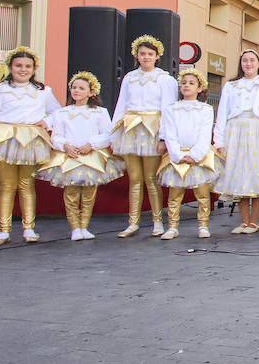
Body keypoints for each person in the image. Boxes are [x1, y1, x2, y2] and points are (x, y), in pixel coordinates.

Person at [0, 46, 60, 245]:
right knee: (6, 186)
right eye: (18, 65)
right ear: (11, 67)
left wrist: (46, 122)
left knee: (26, 185)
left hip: (31, 140)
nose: (23, 69)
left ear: (34, 69)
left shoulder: (42, 91)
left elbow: (57, 111)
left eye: (28, 66)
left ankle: (29, 228)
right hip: (5, 139)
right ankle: (3, 230)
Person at [39, 71, 122, 241]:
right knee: (71, 193)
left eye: (81, 88)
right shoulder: (62, 112)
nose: (76, 91)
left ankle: (84, 225)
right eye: (74, 87)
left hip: (90, 155)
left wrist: (91, 144)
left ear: (91, 92)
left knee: (89, 192)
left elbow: (107, 134)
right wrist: (65, 145)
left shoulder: (99, 112)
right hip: (70, 156)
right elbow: (56, 136)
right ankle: (74, 227)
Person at [110, 35, 178, 238]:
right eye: (142, 54)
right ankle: (133, 222)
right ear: (136, 56)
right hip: (131, 129)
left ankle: (157, 221)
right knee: (135, 179)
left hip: (152, 128)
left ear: (157, 56)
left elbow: (168, 109)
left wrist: (164, 137)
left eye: (150, 54)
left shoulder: (165, 79)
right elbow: (121, 105)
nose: (146, 57)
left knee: (151, 178)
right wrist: (113, 134)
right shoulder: (130, 78)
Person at [214, 50, 259, 234]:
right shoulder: (231, 86)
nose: (248, 64)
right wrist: (219, 140)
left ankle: (254, 221)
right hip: (236, 131)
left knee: (258, 175)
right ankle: (243, 221)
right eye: (245, 60)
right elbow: (222, 114)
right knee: (240, 176)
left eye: (252, 60)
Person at [158, 68, 222, 240]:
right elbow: (169, 133)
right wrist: (177, 155)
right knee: (175, 193)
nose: (186, 86)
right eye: (184, 83)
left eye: (191, 83)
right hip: (177, 154)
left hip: (198, 155)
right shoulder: (171, 109)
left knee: (202, 193)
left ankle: (203, 225)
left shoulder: (205, 109)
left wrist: (195, 154)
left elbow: (204, 134)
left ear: (200, 88)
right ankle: (172, 226)